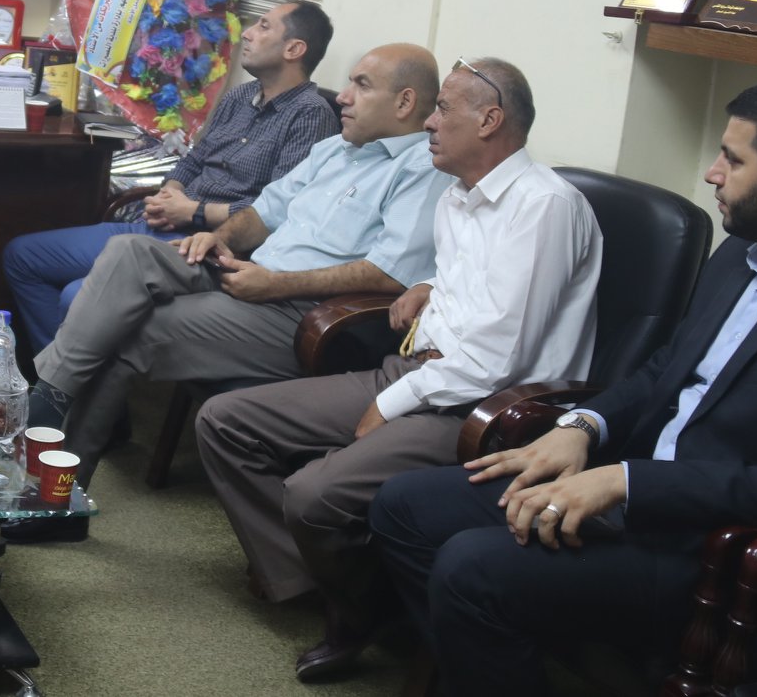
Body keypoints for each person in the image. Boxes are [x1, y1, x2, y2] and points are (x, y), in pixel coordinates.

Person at [370, 81, 757, 697]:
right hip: (630, 492)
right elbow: (666, 368)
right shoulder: (740, 256)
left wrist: (625, 482)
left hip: (715, 550)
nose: (712, 172)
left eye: (732, 159)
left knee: (471, 568)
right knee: (403, 506)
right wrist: (582, 426)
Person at [194, 56, 603, 682]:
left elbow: (499, 356)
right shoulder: (461, 194)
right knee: (225, 421)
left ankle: (353, 606)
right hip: (418, 370)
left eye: (444, 110)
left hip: (482, 407)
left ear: (490, 121)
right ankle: (339, 589)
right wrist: (429, 286)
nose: (430, 123)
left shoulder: (544, 206)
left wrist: (389, 404)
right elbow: (483, 289)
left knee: (313, 493)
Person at [7, 43, 452, 543]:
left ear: (405, 102)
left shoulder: (424, 169)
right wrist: (217, 238)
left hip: (304, 314)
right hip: (250, 273)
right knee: (129, 251)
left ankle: (57, 499)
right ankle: (51, 394)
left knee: (126, 330)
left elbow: (390, 275)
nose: (343, 97)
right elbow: (263, 213)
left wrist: (275, 284)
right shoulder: (337, 150)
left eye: (361, 85)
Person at [2, 2, 341, 350]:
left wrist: (192, 211)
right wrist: (169, 195)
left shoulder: (311, 115)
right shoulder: (240, 96)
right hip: (165, 226)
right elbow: (193, 160)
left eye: (264, 26)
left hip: (209, 247)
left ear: (293, 49)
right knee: (23, 256)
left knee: (77, 296)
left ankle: (66, 380)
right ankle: (52, 373)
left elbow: (276, 212)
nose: (248, 33)